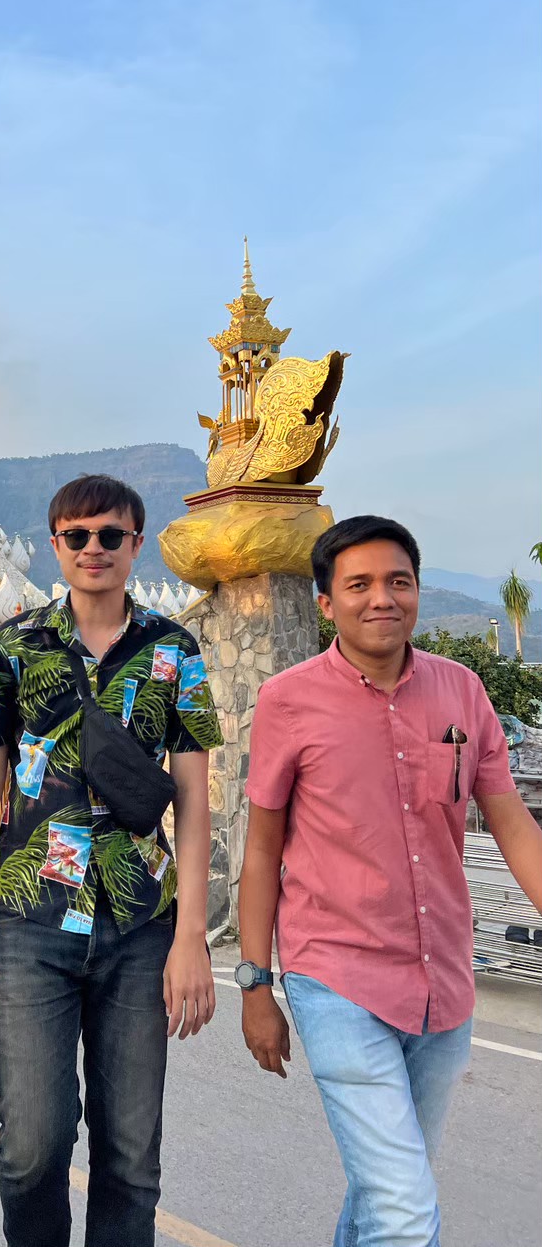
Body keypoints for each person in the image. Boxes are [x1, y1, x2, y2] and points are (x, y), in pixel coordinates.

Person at [239, 515, 542, 1247]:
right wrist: (254, 984)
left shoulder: (462, 691)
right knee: (404, 1207)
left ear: (417, 590)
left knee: (388, 1190)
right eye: (360, 584)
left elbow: (511, 824)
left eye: (397, 581)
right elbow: (261, 850)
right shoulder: (288, 700)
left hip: (442, 977)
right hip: (334, 975)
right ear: (326, 603)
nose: (382, 597)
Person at [0, 474, 222, 1247]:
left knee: (130, 1156)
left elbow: (193, 798)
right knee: (31, 1143)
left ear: (135, 543)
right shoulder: (15, 646)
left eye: (109, 535)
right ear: (55, 544)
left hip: (141, 925)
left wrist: (191, 936)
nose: (93, 547)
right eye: (77, 535)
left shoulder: (172, 651)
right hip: (33, 920)